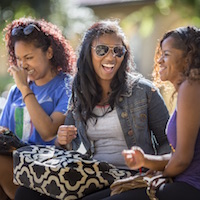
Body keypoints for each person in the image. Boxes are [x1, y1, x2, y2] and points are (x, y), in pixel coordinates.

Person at [14, 19, 170, 200]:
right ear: (89, 52)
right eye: (102, 50)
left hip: (132, 178)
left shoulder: (144, 90)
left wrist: (154, 168)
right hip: (93, 175)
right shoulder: (78, 91)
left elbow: (167, 141)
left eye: (117, 51)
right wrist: (63, 140)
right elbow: (69, 146)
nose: (111, 57)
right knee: (25, 194)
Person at [106, 26, 200, 200]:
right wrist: (144, 160)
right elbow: (178, 156)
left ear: (188, 58)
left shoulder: (191, 86)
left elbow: (182, 160)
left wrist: (159, 176)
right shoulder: (188, 89)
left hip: (190, 187)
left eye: (166, 54)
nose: (159, 61)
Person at [0, 17, 76, 200]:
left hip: (47, 169)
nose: (23, 65)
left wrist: (25, 89)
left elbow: (49, 132)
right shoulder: (15, 92)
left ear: (49, 52)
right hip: (14, 164)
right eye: (18, 59)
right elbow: (5, 133)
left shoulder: (67, 86)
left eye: (29, 57)